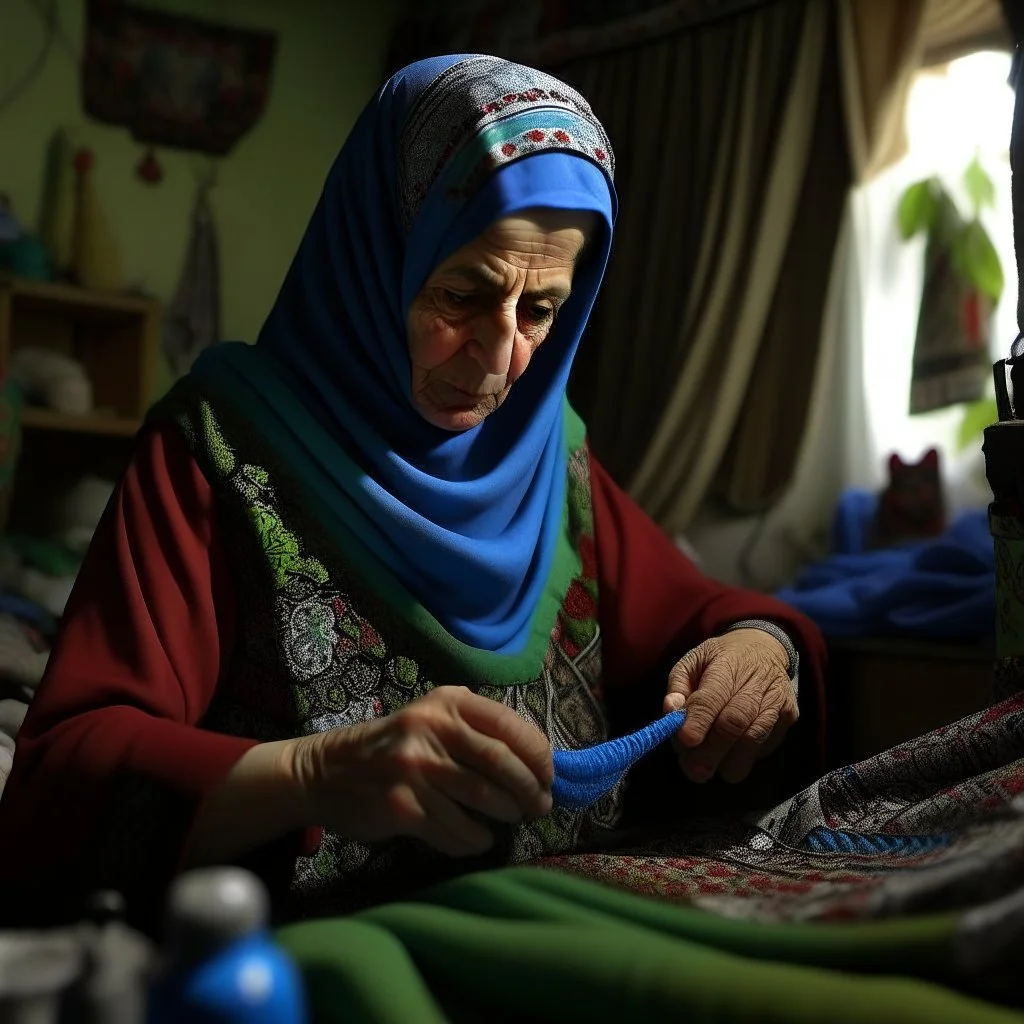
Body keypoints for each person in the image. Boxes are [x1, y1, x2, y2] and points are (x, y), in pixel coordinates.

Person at [0, 55, 826, 930]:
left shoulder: (550, 459)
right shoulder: (213, 454)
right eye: (462, 293)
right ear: (376, 255)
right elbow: (67, 777)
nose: (501, 356)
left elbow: (703, 615)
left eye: (541, 311)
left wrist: (759, 647)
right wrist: (313, 775)